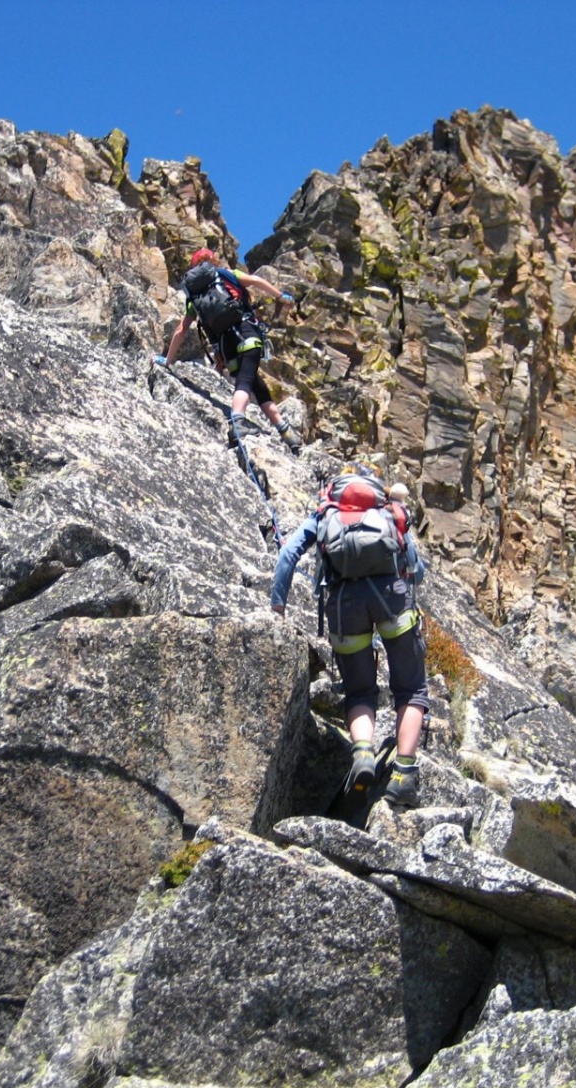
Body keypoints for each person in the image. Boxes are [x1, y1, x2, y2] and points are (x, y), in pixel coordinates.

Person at [270, 466, 429, 806]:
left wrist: (277, 609)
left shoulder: (328, 514)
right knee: (411, 688)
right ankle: (403, 775)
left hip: (344, 606)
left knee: (359, 690)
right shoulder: (387, 512)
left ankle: (362, 756)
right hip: (392, 599)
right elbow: (416, 566)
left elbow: (288, 555)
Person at [155, 248, 302, 454]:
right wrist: (280, 295)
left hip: (226, 349)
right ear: (212, 261)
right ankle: (238, 420)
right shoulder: (226, 274)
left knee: (256, 386)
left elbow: (181, 330)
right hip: (245, 332)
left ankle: (286, 432)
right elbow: (256, 281)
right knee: (245, 380)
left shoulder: (195, 296)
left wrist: (167, 360)